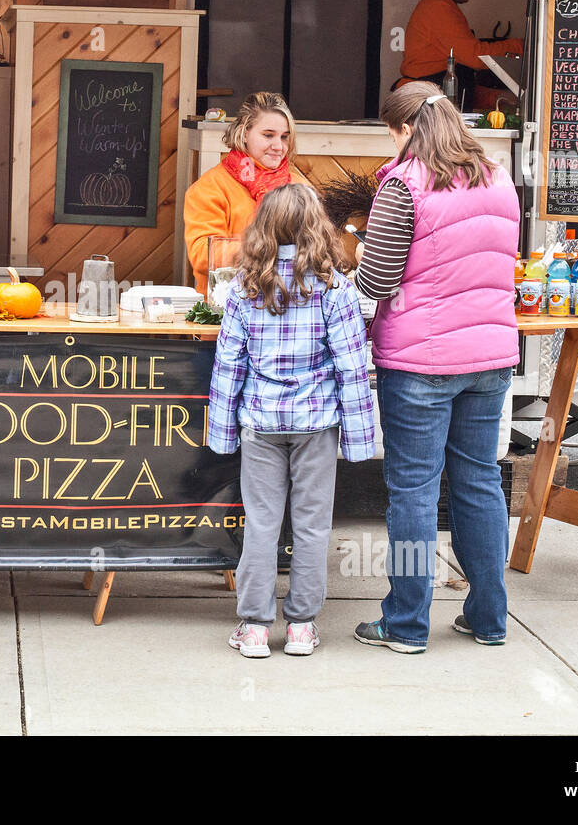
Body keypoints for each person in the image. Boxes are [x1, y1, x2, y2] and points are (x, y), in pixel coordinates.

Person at [352, 81, 519, 654]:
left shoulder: (404, 185)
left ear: (403, 130)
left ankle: (405, 624)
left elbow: (377, 280)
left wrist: (354, 262)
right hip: (492, 358)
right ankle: (490, 618)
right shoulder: (498, 177)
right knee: (479, 483)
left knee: (414, 493)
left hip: (420, 361)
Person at [208, 183, 375, 659]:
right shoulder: (336, 288)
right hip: (316, 424)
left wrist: (221, 433)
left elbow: (229, 364)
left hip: (260, 422)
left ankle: (255, 628)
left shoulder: (244, 287)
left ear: (263, 228)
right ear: (316, 228)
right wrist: (361, 441)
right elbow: (351, 365)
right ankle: (301, 626)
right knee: (312, 525)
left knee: (260, 523)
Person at [183, 92, 311, 294]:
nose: (278, 146)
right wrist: (270, 246)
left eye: (285, 137)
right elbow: (202, 255)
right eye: (268, 135)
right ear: (244, 133)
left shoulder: (301, 187)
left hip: (292, 308)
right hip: (226, 308)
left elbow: (319, 248)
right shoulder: (209, 187)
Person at [396, 0, 523, 111]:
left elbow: (459, 85)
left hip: (431, 101)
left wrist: (496, 98)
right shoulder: (438, 7)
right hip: (425, 106)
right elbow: (475, 56)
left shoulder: (441, 4)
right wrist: (521, 46)